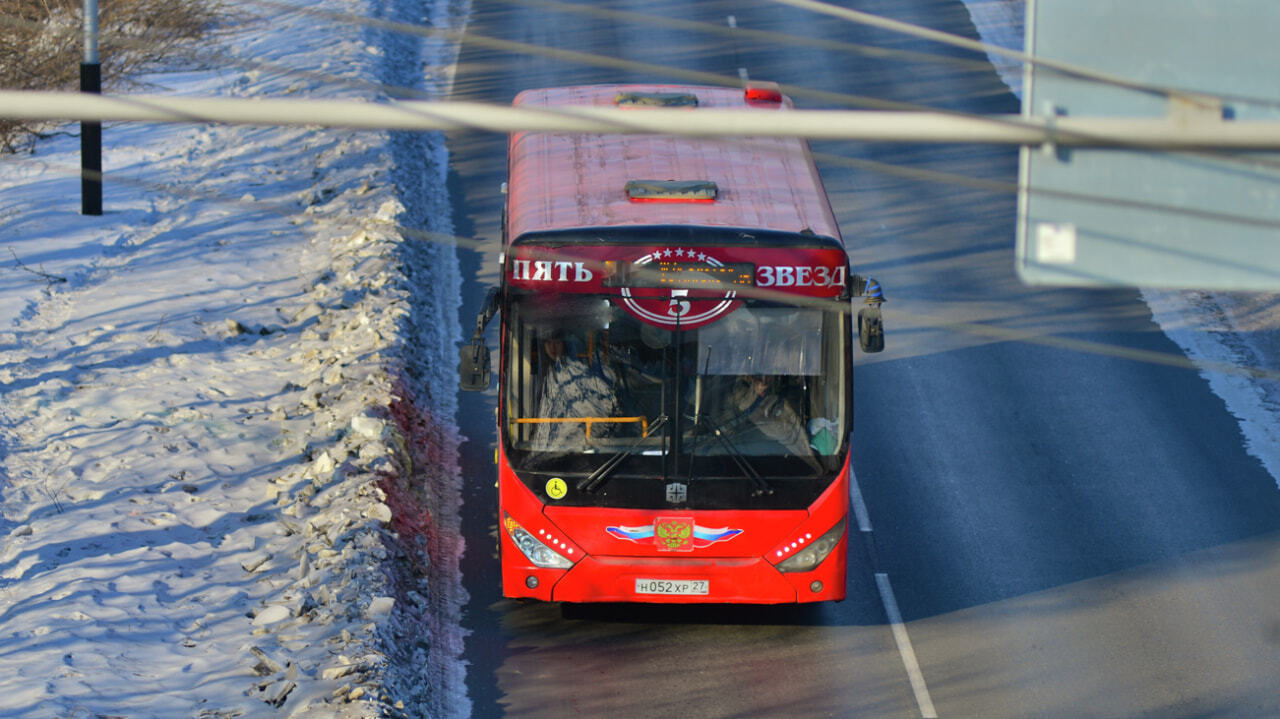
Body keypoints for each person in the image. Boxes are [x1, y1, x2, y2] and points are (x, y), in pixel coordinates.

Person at [531, 330, 619, 452]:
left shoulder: (578, 371)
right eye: (548, 343)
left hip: (581, 445)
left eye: (557, 343)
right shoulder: (541, 375)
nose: (553, 348)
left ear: (564, 344)